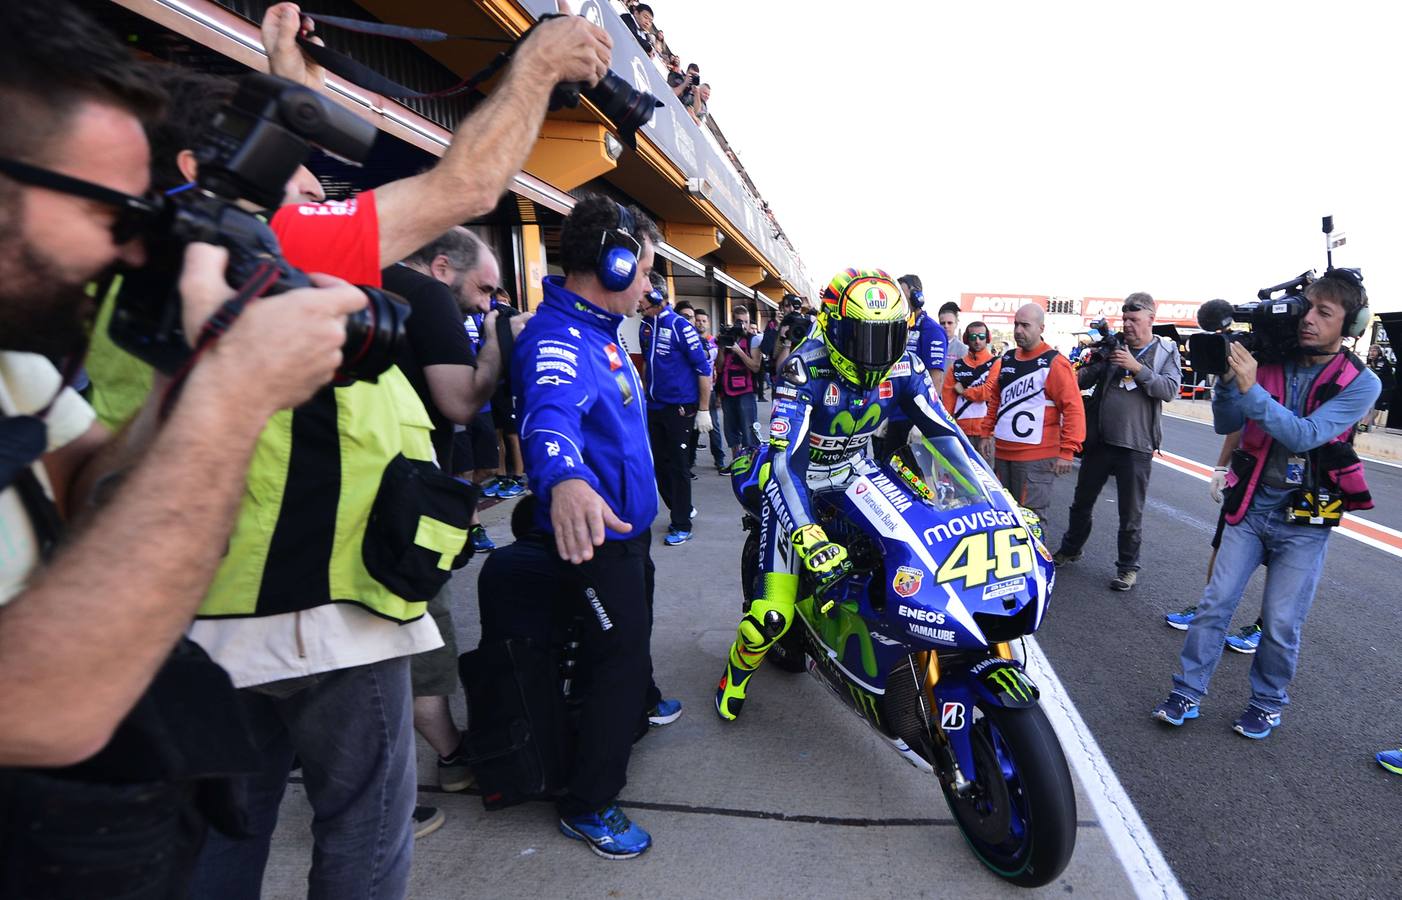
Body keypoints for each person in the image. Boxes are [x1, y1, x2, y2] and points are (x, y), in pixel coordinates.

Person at [171, 5, 614, 895]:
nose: (313, 185)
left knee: (218, 847)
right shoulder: (266, 240)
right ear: (199, 168)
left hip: (204, 618)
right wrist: (535, 67)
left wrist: (287, 71)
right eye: (294, 172)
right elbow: (466, 189)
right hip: (320, 611)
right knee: (365, 841)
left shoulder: (169, 248)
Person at [0, 3, 365, 893]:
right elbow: (40, 706)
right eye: (117, 213)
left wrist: (197, 367)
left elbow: (91, 496)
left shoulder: (15, 361)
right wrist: (234, 392)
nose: (136, 250)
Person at [715, 269, 962, 720]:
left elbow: (949, 436)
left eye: (888, 337)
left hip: (856, 473)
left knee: (919, 550)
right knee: (771, 616)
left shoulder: (906, 364)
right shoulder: (802, 368)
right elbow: (783, 462)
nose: (878, 353)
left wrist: (996, 498)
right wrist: (806, 532)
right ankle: (735, 674)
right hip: (796, 485)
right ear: (833, 325)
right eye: (865, 338)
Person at [1152, 268, 1380, 740]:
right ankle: (1187, 691)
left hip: (1306, 521)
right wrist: (1225, 380)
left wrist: (1251, 387)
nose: (1308, 320)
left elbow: (1307, 435)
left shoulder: (1361, 382)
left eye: (1324, 312)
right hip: (1251, 508)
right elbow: (1226, 422)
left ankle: (1268, 702)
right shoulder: (1269, 359)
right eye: (1307, 307)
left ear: (1351, 324)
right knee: (1215, 603)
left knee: (1280, 622)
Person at [513, 195, 667, 859]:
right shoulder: (559, 341)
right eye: (647, 273)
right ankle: (588, 803)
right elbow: (549, 420)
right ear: (613, 265)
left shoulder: (597, 334)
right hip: (596, 543)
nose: (652, 288)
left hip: (629, 538)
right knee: (619, 662)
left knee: (629, 661)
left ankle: (629, 717)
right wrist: (565, 479)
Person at [383, 227, 531, 820]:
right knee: (422, 634)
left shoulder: (367, 284)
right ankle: (449, 758)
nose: (487, 303)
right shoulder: (426, 295)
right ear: (442, 266)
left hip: (360, 492)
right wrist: (498, 342)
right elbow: (461, 402)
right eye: (484, 290)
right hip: (395, 501)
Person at [1053, 293, 1181, 591]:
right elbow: (1085, 379)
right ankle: (1071, 549)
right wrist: (1080, 368)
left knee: (1130, 513)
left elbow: (1169, 389)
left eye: (1134, 320)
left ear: (1151, 318)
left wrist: (1136, 367)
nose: (1129, 325)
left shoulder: (1165, 351)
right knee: (1081, 503)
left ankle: (1127, 568)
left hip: (1136, 446)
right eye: (1125, 319)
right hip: (1099, 441)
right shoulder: (1114, 346)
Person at [978, 303, 1085, 531]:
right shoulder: (1006, 360)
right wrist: (986, 432)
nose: (1018, 330)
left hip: (1036, 458)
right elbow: (995, 400)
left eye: (1025, 325)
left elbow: (1073, 408)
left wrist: (1067, 451)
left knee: (1031, 519)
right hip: (1004, 453)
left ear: (1041, 328)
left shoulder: (1055, 363)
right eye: (1016, 324)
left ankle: (1035, 566)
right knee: (1004, 516)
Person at [1163, 430, 1265, 654]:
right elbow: (1237, 422)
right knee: (1221, 545)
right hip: (1247, 476)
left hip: (1295, 486)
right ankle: (1207, 611)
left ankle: (1263, 629)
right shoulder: (1255, 393)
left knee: (1278, 563)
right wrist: (1221, 467)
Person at [638, 273, 712, 546]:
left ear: (656, 296)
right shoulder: (645, 326)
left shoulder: (681, 326)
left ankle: (681, 522)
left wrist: (703, 409)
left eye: (642, 295)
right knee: (658, 465)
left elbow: (703, 368)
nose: (637, 300)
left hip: (681, 408)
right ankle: (682, 505)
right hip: (655, 406)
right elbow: (647, 363)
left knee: (679, 466)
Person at [877, 274, 947, 459]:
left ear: (917, 297)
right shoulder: (899, 328)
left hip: (914, 420)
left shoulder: (932, 330)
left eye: (901, 293)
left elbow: (936, 379)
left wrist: (922, 423)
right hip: (893, 415)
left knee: (917, 480)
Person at [718, 304, 763, 463]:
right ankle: (736, 463)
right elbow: (719, 366)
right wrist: (722, 349)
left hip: (746, 392)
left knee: (749, 430)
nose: (742, 325)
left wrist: (738, 351)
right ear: (733, 320)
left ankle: (752, 464)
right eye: (739, 321)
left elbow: (755, 367)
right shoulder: (726, 337)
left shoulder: (753, 340)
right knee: (731, 432)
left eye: (745, 321)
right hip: (727, 391)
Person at [943, 320, 995, 439]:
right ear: (966, 339)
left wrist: (963, 392)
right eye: (973, 337)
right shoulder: (956, 366)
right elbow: (948, 402)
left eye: (981, 337)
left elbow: (988, 392)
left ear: (987, 338)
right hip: (961, 432)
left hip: (987, 433)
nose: (977, 341)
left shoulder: (996, 363)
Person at [1363, 343, 1394, 431]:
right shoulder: (1370, 360)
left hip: (1386, 388)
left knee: (1376, 408)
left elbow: (1377, 373)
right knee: (1369, 407)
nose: (1371, 353)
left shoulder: (1382, 360)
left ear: (1379, 352)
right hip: (1376, 387)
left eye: (1374, 351)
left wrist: (1368, 368)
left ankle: (1363, 426)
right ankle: (1366, 424)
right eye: (1370, 351)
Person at [938, 301, 969, 371]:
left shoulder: (962, 350)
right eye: (942, 323)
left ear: (956, 324)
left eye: (950, 323)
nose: (946, 326)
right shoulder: (929, 344)